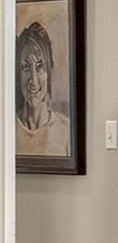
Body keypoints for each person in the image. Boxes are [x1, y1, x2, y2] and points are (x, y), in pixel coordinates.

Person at [16, 19, 70, 158]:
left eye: (40, 67)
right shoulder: (6, 130)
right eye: (26, 67)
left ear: (49, 71)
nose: (33, 81)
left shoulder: (66, 132)